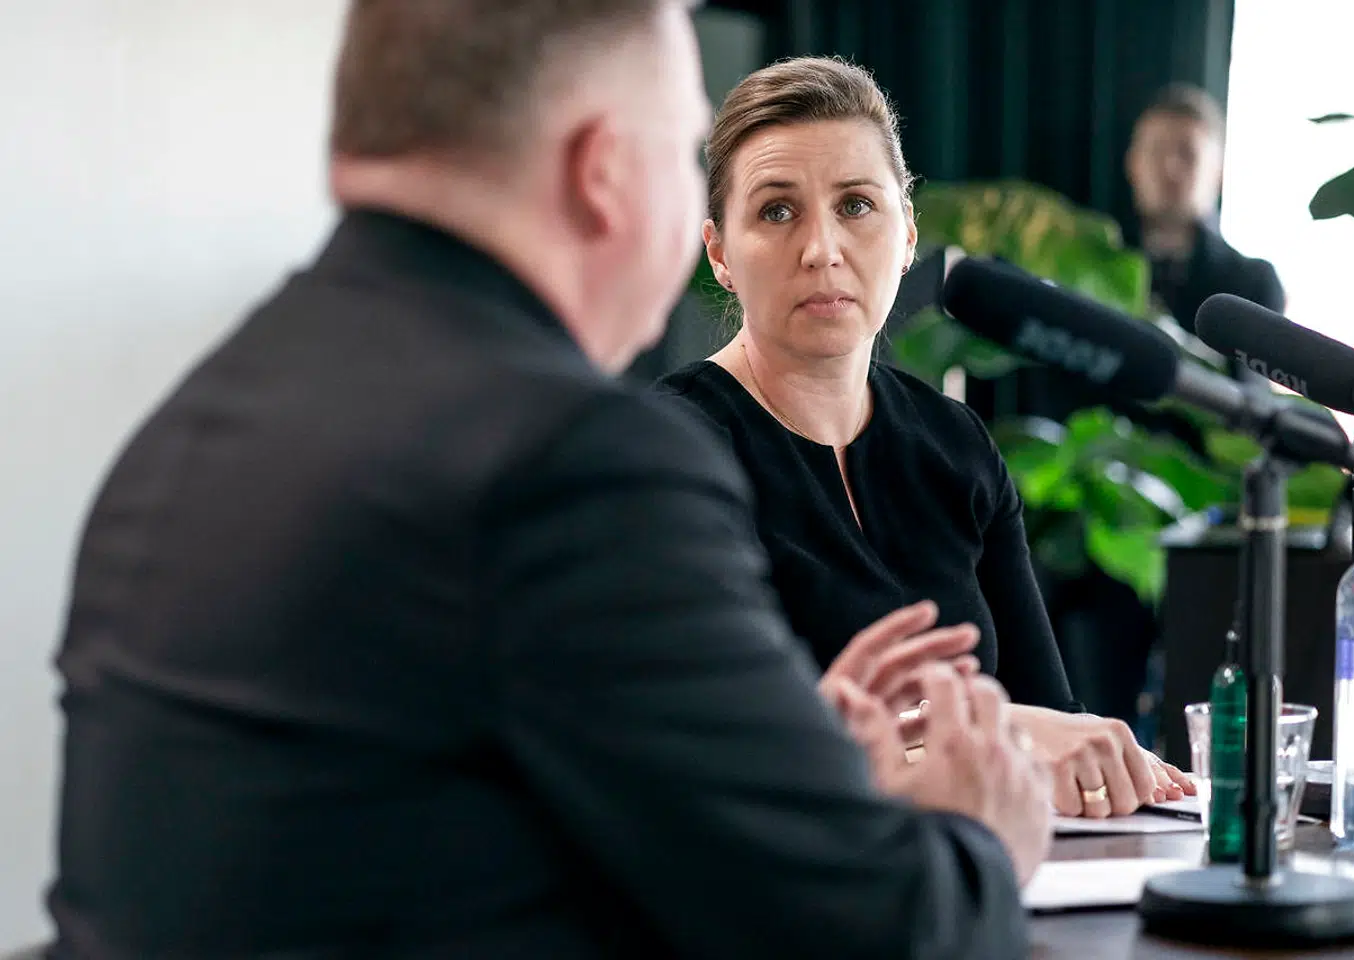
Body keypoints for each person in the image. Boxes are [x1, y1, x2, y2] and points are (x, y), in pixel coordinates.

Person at [46, 3, 1054, 958]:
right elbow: (879, 933)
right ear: (604, 172)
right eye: (682, 151)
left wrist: (791, 770)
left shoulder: (189, 431)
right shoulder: (573, 460)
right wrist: (984, 837)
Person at [655, 56, 1196, 820]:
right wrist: (998, 736)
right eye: (777, 211)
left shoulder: (956, 444)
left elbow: (1052, 716)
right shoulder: (670, 452)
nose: (822, 248)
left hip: (992, 868)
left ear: (907, 234)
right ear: (719, 253)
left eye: (856, 205)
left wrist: (1103, 762)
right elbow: (698, 749)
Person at [1125, 83, 1286, 351]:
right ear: (1132, 164)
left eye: (1188, 154)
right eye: (1156, 151)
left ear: (1219, 172)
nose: (1170, 169)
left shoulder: (1253, 286)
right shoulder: (1091, 263)